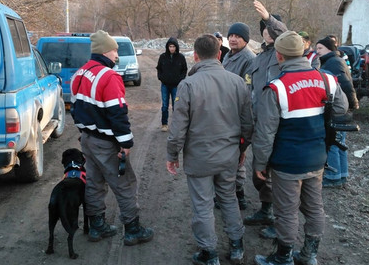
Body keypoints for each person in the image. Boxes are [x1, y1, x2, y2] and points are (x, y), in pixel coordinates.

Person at [252, 31, 348, 265]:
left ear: (279, 56)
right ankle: (309, 255)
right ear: (305, 53)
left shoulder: (276, 88)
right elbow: (342, 110)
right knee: (314, 207)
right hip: (316, 159)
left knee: (286, 211)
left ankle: (283, 258)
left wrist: (260, 164)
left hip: (287, 163)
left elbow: (265, 133)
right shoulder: (327, 80)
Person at [167, 34, 254, 265]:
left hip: (199, 159)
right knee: (228, 198)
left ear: (195, 56)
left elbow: (178, 127)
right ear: (219, 54)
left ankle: (209, 253)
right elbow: (248, 123)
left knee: (203, 205)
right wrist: (242, 148)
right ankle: (237, 247)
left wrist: (172, 154)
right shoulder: (237, 82)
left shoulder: (187, 85)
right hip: (228, 157)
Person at [70, 30, 153, 246]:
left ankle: (97, 227)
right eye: (115, 50)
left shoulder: (79, 73)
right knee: (125, 184)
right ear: (106, 51)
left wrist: (83, 132)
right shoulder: (110, 77)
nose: (117, 54)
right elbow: (117, 113)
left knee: (94, 184)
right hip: (106, 143)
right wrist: (125, 143)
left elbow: (75, 109)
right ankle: (133, 230)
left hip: (87, 139)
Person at [243, 0, 287, 240]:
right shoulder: (259, 58)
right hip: (259, 122)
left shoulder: (284, 55)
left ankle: (281, 222)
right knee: (258, 171)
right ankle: (266, 210)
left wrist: (270, 17)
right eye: (263, 27)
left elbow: (284, 33)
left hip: (279, 124)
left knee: (277, 174)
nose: (266, 31)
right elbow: (251, 87)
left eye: (269, 28)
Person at [220, 21, 256, 210]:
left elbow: (247, 91)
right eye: (231, 36)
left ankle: (238, 194)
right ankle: (228, 191)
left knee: (238, 154)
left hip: (237, 113)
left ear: (245, 40)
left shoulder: (248, 59)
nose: (233, 39)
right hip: (224, 111)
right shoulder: (228, 55)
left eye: (238, 37)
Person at [315, 36, 359, 188]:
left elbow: (346, 85)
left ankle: (333, 176)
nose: (317, 51)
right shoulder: (335, 61)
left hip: (338, 109)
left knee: (333, 142)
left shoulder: (332, 63)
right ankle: (342, 174)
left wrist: (351, 104)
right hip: (342, 109)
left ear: (329, 48)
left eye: (320, 48)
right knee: (340, 143)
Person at [156, 37, 188, 132]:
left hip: (176, 85)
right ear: (167, 47)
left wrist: (180, 79)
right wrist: (161, 77)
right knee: (165, 105)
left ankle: (176, 124)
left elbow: (184, 69)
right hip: (165, 85)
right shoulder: (163, 57)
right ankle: (164, 124)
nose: (172, 48)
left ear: (176, 47)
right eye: (170, 46)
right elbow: (159, 68)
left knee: (176, 105)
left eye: (173, 46)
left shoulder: (181, 57)